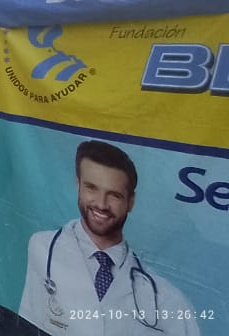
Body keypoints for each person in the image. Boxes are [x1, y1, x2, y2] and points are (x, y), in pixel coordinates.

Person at [18, 141, 199, 336]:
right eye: (91, 188)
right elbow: (26, 324)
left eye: (114, 195)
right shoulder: (42, 248)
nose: (101, 204)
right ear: (78, 185)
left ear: (131, 202)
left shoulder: (166, 298)